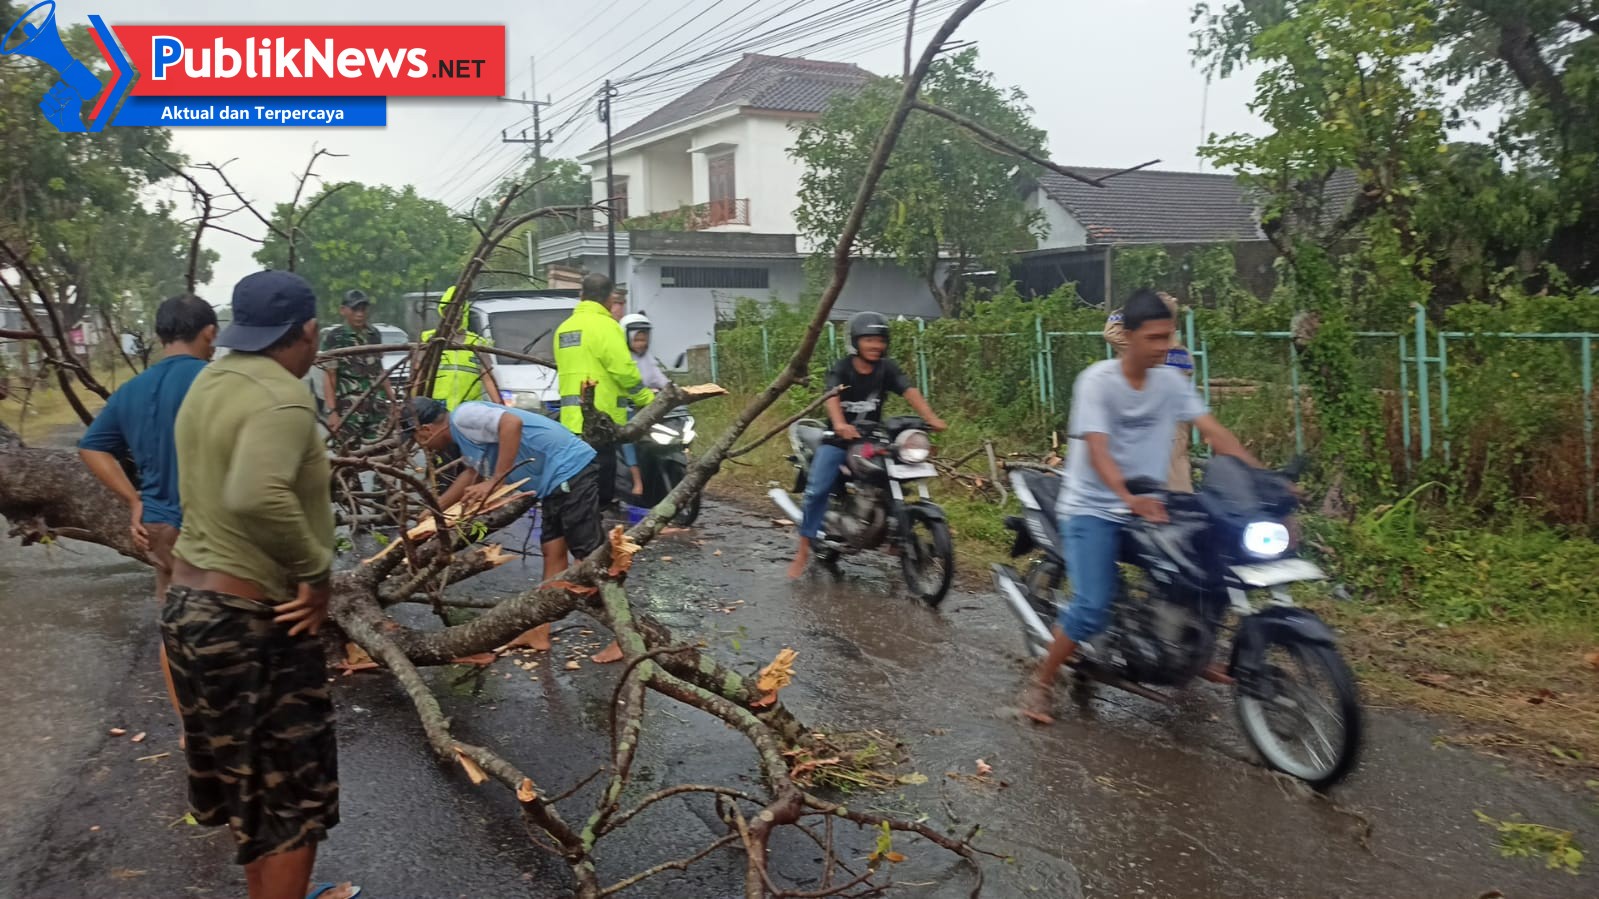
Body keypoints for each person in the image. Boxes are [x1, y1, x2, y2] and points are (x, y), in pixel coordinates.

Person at [164, 270, 358, 899]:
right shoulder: (282, 394)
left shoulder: (210, 381)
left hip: (190, 608)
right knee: (291, 803)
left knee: (256, 798)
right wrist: (316, 573)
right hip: (248, 622)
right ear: (307, 332)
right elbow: (254, 495)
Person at [1021, 289, 1260, 725]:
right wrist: (1127, 497)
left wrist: (1262, 480)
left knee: (1211, 565)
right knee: (1093, 604)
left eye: (1169, 336)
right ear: (1127, 337)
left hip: (1151, 502)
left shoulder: (1170, 382)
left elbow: (1214, 433)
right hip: (1093, 507)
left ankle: (1192, 650)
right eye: (1154, 338)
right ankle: (1042, 680)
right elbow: (1098, 449)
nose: (1164, 347)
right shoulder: (1098, 381)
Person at [78, 294, 218, 744]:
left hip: (159, 527)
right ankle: (227, 728)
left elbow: (92, 447)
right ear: (209, 334)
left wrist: (133, 498)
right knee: (229, 623)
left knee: (175, 629)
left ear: (159, 337)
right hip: (217, 529)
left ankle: (189, 730)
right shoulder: (218, 382)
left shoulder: (133, 390)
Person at [404, 397, 611, 660]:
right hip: (553, 482)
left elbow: (511, 423)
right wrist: (437, 510)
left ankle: (629, 636)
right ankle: (538, 632)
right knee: (552, 552)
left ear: (426, 430)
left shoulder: (463, 417)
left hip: (570, 468)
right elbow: (471, 474)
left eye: (418, 440)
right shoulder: (463, 438)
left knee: (589, 559)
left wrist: (495, 480)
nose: (423, 447)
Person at [787, 311, 947, 580]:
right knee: (817, 491)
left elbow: (909, 390)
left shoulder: (887, 368)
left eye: (880, 340)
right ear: (855, 342)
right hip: (838, 439)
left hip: (871, 439)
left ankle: (895, 533)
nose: (876, 345)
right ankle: (803, 549)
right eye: (869, 340)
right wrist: (839, 424)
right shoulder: (842, 368)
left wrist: (930, 417)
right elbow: (832, 397)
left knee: (894, 475)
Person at [555, 273, 655, 516]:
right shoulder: (606, 327)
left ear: (582, 295)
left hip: (571, 420)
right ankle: (598, 537)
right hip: (602, 419)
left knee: (581, 480)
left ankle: (582, 521)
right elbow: (624, 371)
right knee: (602, 485)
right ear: (609, 298)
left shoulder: (564, 328)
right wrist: (646, 399)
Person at [1102, 291, 1196, 492]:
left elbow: (1110, 332)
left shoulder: (1146, 349)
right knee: (1176, 480)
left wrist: (1130, 307)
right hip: (1171, 428)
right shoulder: (1182, 354)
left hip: (1152, 425)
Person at [419, 287, 503, 492]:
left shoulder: (477, 343)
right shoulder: (430, 341)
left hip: (469, 421)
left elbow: (487, 377)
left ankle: (465, 514)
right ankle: (443, 510)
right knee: (442, 472)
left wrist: (500, 407)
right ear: (442, 312)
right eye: (448, 312)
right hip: (438, 420)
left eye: (457, 312)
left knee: (470, 468)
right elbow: (419, 377)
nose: (453, 317)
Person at [320, 289, 395, 445]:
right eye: (355, 309)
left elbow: (380, 370)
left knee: (384, 453)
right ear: (343, 310)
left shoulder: (373, 334)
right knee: (347, 459)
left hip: (376, 407)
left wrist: (393, 400)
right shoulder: (335, 337)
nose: (360, 314)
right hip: (349, 410)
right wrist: (332, 412)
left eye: (363, 309)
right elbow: (330, 376)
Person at [618, 313, 670, 496]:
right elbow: (627, 382)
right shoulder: (623, 358)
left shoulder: (648, 358)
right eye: (637, 339)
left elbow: (659, 377)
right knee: (629, 441)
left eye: (644, 339)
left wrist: (673, 390)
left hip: (649, 406)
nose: (641, 343)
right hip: (630, 408)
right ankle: (637, 481)